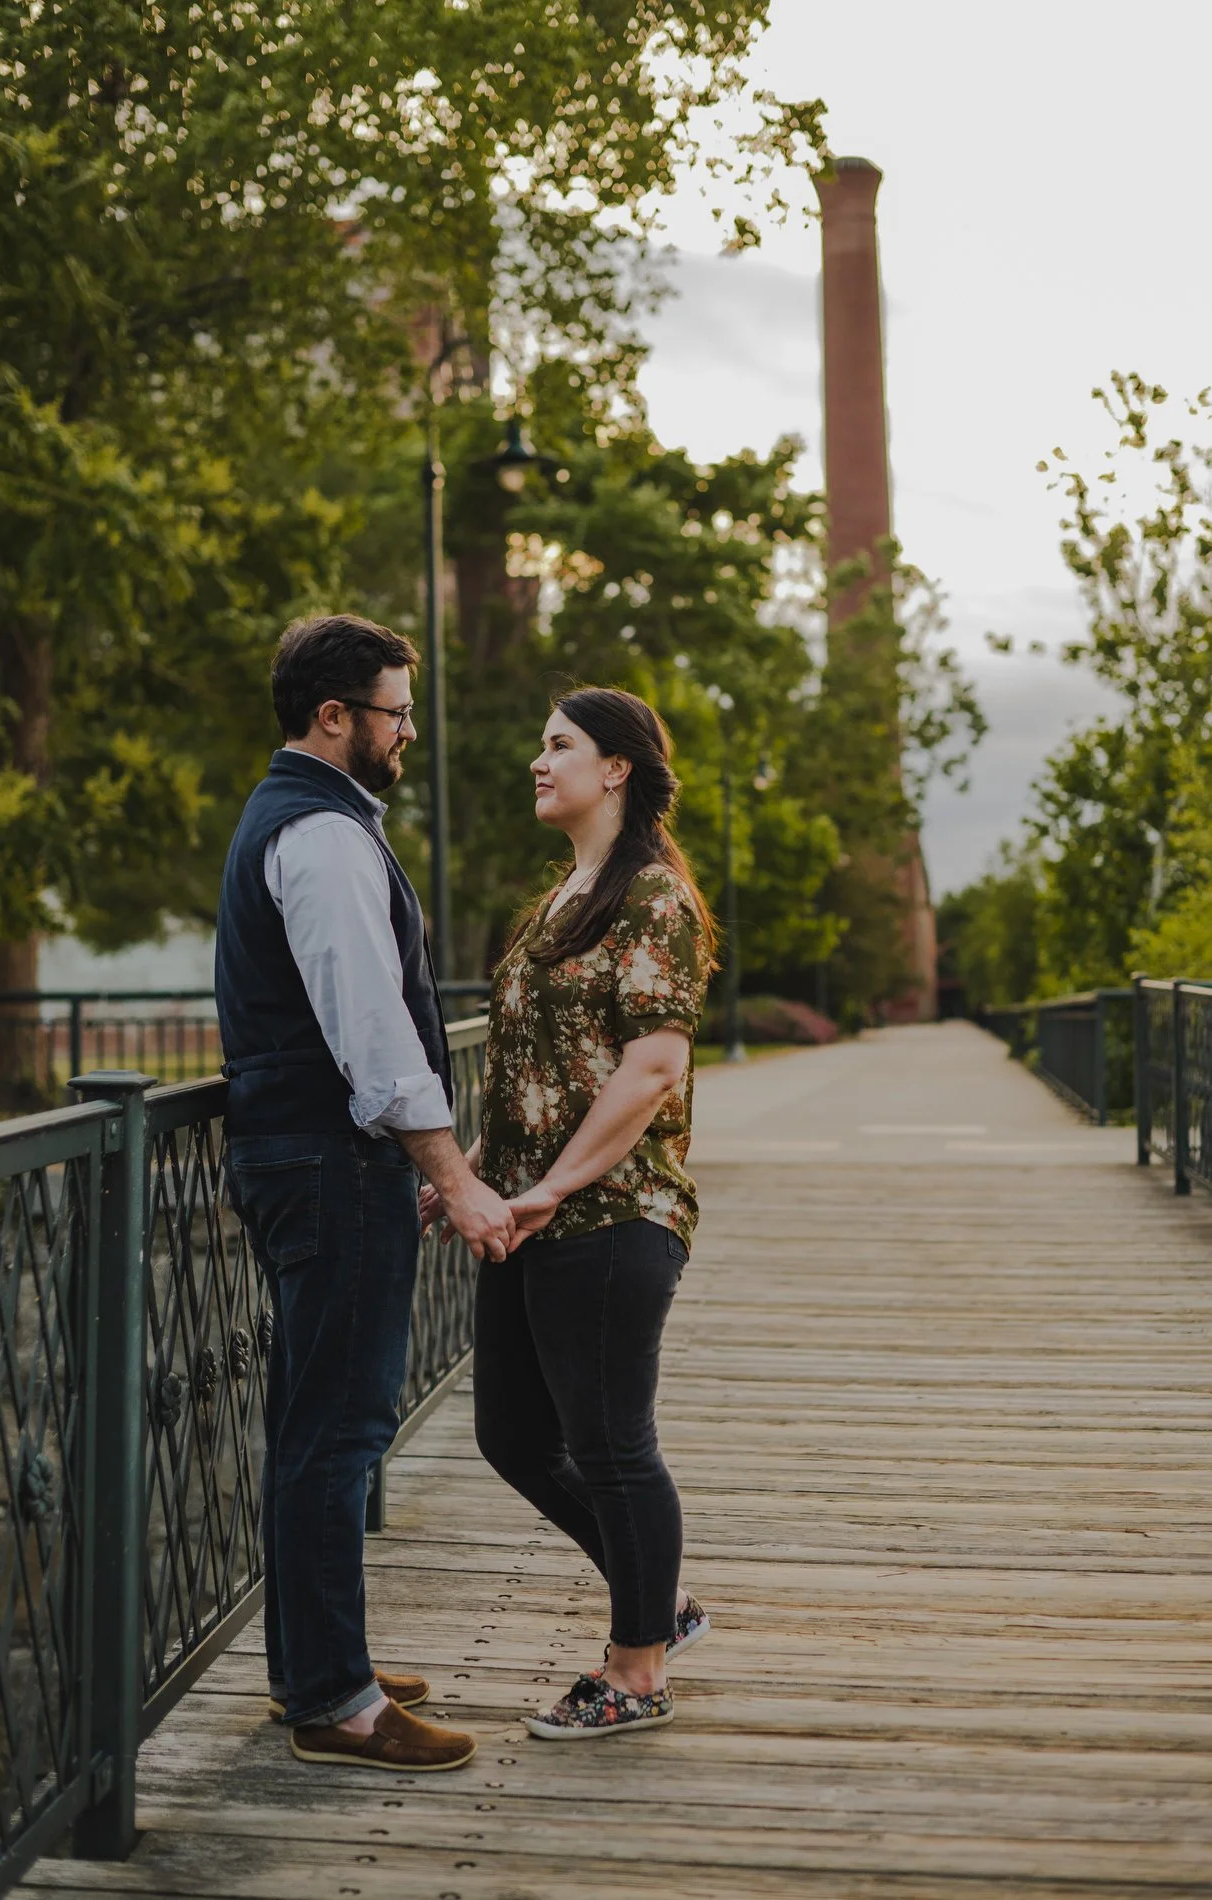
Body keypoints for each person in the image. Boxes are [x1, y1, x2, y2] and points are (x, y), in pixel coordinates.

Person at [216, 612, 515, 1774]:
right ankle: (336, 1700)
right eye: (394, 711)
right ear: (333, 715)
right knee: (339, 1430)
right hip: (332, 1167)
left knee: (311, 1424)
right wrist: (450, 1167)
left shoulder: (285, 816)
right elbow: (371, 1028)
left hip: (300, 1156)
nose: (405, 732)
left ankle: (312, 1661)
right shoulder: (327, 837)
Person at [426, 686, 715, 1739]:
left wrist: (551, 1185)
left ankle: (637, 1668)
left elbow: (650, 1067)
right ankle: (661, 1598)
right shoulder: (566, 894)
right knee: (511, 1435)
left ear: (618, 768)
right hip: (529, 1215)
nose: (538, 761)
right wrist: (470, 1175)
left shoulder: (652, 897)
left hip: (612, 1216)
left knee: (611, 1445)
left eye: (559, 745)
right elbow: (534, 1065)